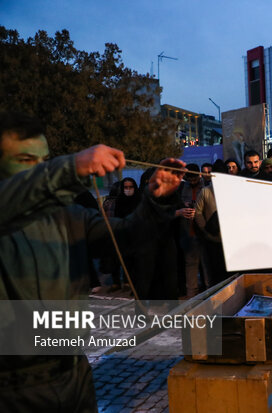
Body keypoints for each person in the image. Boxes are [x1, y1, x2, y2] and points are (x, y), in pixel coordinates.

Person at [0, 111, 183, 412]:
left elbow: (125, 237)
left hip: (74, 372)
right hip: (13, 387)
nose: (38, 171)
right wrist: (70, 167)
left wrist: (155, 198)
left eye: (44, 162)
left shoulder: (67, 215)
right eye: (24, 160)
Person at [176, 163, 205, 298]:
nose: (192, 182)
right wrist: (183, 208)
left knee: (206, 266)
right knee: (190, 265)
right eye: (189, 179)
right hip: (188, 233)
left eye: (194, 179)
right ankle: (191, 295)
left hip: (204, 234)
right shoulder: (182, 188)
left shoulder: (206, 187)